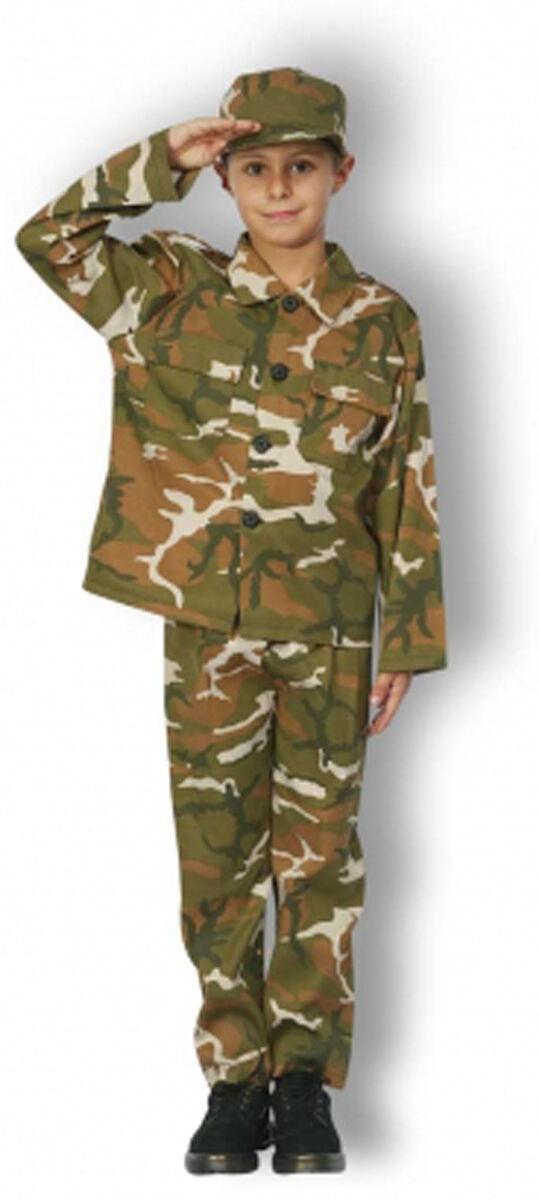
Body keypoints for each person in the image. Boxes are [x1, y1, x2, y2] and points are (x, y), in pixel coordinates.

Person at [14, 65, 448, 1175]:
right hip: (207, 625)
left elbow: (407, 482)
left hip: (332, 630)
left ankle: (302, 1082)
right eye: (254, 167)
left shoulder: (382, 320)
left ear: (341, 173)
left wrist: (405, 639)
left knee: (319, 858)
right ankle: (231, 1077)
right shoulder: (165, 291)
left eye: (301, 165)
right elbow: (47, 238)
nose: (278, 187)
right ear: (225, 178)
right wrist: (163, 156)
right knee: (215, 857)